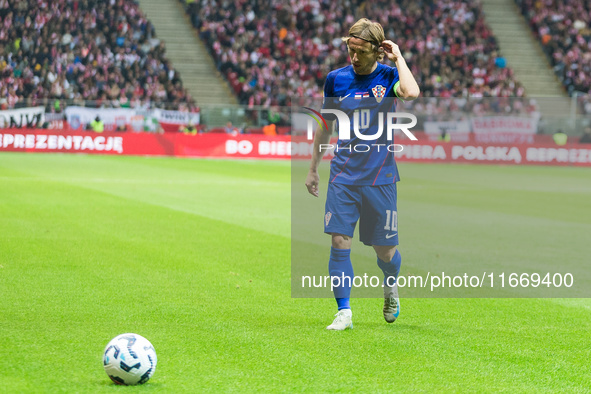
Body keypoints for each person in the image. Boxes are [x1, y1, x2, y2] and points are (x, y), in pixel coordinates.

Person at [305, 18, 420, 330]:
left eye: (360, 51)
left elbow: (411, 92)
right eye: (349, 49)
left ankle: (391, 285)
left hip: (380, 178)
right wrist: (314, 167)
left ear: (377, 50)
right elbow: (325, 124)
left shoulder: (389, 76)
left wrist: (399, 58)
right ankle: (344, 312)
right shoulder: (336, 79)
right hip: (342, 176)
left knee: (386, 251)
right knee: (339, 242)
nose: (353, 57)